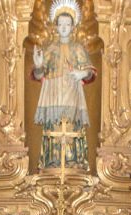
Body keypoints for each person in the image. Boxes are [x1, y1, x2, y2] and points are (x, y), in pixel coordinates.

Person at [32, 1, 95, 170]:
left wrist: (82, 73)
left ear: (73, 26)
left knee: (72, 125)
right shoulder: (50, 48)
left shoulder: (78, 48)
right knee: (54, 126)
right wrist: (38, 65)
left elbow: (90, 72)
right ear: (56, 26)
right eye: (61, 24)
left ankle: (73, 160)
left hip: (72, 93)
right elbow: (38, 74)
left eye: (68, 24)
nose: (64, 28)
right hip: (53, 92)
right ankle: (52, 160)